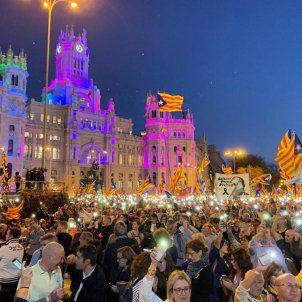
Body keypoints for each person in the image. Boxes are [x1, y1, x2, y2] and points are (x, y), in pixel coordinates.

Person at [0, 227, 24, 302]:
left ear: (11, 236)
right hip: (16, 278)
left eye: (7, 234)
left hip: (5, 280)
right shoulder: (21, 247)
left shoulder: (4, 248)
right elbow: (16, 263)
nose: (6, 235)